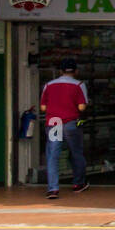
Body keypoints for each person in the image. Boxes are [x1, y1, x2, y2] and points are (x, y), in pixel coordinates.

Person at [40, 59, 88, 198]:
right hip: (71, 123)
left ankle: (53, 189)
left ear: (60, 71)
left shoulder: (48, 85)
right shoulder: (79, 85)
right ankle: (78, 183)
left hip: (54, 122)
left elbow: (43, 107)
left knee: (53, 155)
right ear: (76, 71)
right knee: (76, 153)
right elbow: (81, 107)